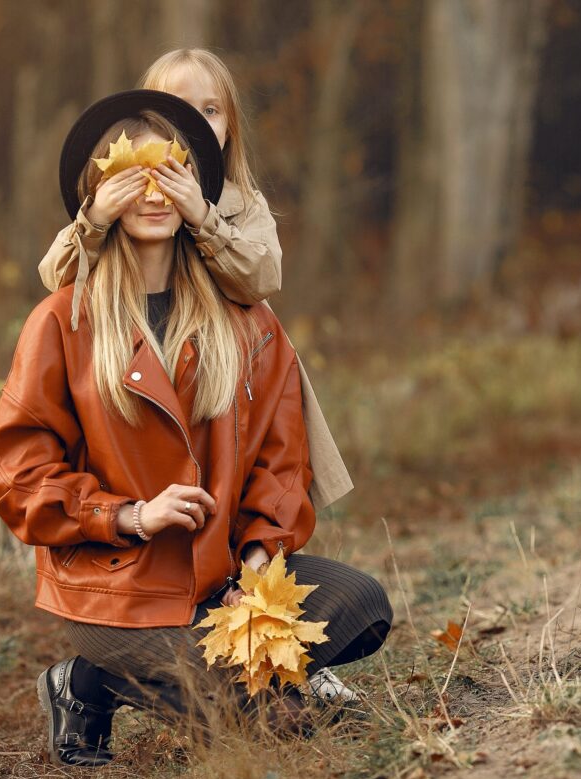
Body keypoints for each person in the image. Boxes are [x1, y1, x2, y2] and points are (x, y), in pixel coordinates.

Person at [0, 90, 392, 768]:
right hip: (119, 584)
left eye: (169, 172)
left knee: (362, 604)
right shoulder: (64, 320)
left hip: (217, 577)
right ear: (99, 192)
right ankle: (88, 678)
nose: (153, 192)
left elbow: (280, 461)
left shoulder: (245, 321)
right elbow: (17, 477)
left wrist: (260, 561)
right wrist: (133, 515)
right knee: (250, 712)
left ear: (194, 186)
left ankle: (220, 685)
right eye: (133, 174)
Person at [36, 48, 353, 516]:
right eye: (180, 108)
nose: (197, 123)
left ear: (229, 129)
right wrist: (97, 218)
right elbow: (56, 278)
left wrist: (204, 218)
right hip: (143, 345)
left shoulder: (238, 202)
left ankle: (251, 528)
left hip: (223, 361)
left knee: (245, 460)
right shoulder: (121, 193)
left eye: (211, 110)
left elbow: (261, 278)